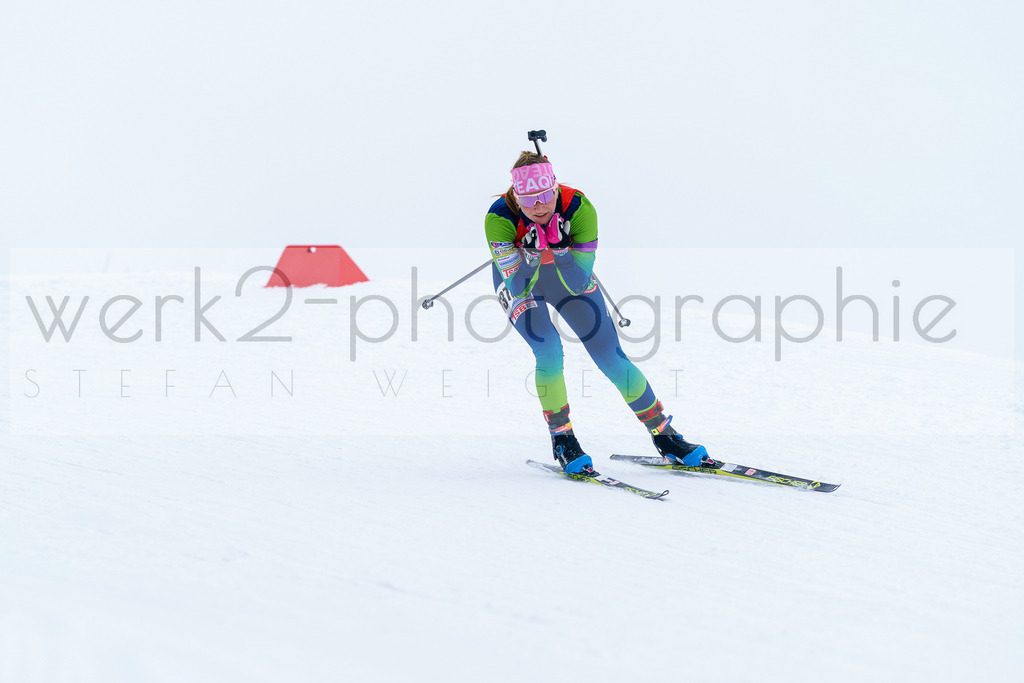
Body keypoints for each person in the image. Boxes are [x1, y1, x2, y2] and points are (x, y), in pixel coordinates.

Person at [484, 151, 713, 474]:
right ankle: (563, 441)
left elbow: (579, 282)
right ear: (516, 197)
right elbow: (519, 287)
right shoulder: (499, 218)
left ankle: (666, 437)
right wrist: (533, 256)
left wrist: (561, 251)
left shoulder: (578, 207)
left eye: (546, 196)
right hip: (522, 281)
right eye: (529, 200)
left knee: (610, 355)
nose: (539, 207)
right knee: (549, 351)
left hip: (566, 277)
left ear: (555, 187)